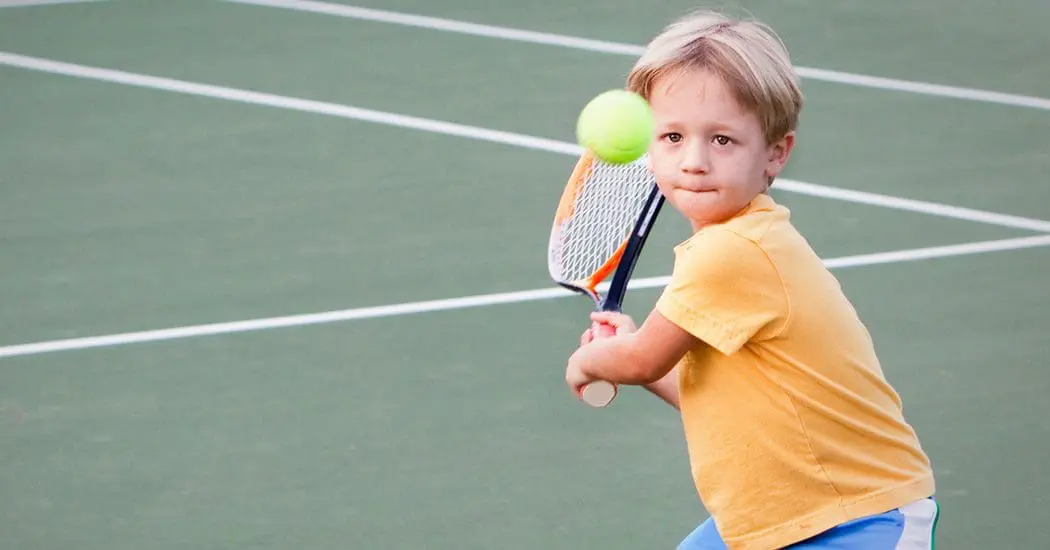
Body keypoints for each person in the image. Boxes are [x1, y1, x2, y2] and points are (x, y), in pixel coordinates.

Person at [564, 9, 938, 549]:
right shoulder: (726, 246)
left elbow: (644, 357)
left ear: (775, 154)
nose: (693, 161)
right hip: (773, 518)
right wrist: (630, 354)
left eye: (721, 140)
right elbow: (710, 395)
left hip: (857, 517)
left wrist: (594, 359)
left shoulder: (731, 252)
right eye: (671, 136)